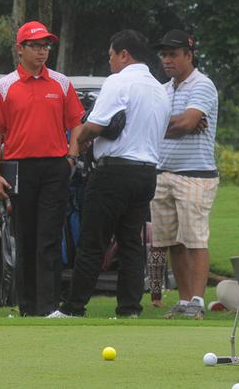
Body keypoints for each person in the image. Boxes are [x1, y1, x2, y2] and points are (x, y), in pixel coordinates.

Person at [49, 30, 169, 319]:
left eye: (111, 57)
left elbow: (96, 124)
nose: (111, 63)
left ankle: (73, 308)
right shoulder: (159, 88)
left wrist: (81, 138)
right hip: (146, 174)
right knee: (130, 244)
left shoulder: (119, 81)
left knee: (93, 241)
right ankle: (129, 309)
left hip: (114, 172)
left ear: (124, 54)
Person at [0, 21, 85, 316]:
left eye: (46, 46)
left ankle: (49, 306)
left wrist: (72, 155)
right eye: (36, 46)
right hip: (19, 167)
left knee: (49, 237)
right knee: (25, 237)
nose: (42, 52)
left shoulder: (62, 83)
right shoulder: (4, 86)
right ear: (20, 49)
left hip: (55, 166)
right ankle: (27, 306)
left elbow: (76, 122)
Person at [152, 30, 220, 320]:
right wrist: (175, 124)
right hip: (163, 172)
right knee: (172, 242)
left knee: (194, 240)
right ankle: (182, 301)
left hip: (196, 174)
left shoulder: (202, 85)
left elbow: (188, 121)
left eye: (174, 54)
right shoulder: (163, 90)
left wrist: (173, 124)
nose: (167, 59)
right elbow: (174, 124)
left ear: (188, 56)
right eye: (164, 54)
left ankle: (197, 301)